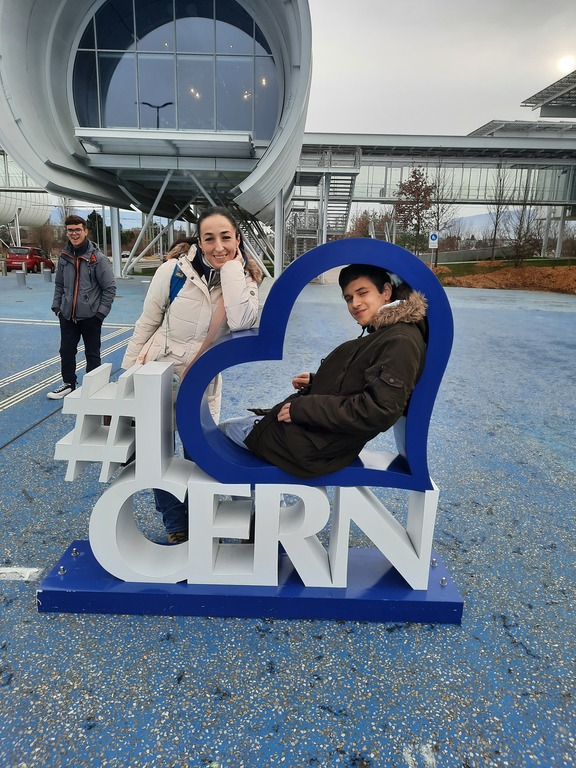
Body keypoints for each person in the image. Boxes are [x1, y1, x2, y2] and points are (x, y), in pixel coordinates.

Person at [122, 206, 263, 543]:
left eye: (226, 237)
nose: (218, 246)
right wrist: (126, 378)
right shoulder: (172, 272)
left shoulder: (244, 281)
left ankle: (205, 523)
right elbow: (147, 323)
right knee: (156, 457)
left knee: (200, 456)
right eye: (209, 239)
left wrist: (232, 268)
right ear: (198, 242)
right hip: (157, 374)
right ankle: (177, 525)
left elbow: (242, 321)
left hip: (201, 382)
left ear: (238, 239)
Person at [220, 263, 427, 479]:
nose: (355, 303)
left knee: (222, 434)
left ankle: (251, 498)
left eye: (362, 293)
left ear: (386, 291)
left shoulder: (399, 340)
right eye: (348, 298)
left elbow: (377, 410)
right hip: (319, 439)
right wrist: (317, 381)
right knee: (230, 431)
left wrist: (302, 408)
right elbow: (363, 382)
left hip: (314, 449)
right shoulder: (388, 333)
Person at [48, 215, 116, 399]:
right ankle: (68, 384)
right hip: (67, 315)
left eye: (78, 229)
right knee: (66, 351)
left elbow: (109, 288)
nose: (74, 233)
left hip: (91, 316)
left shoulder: (97, 259)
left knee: (92, 353)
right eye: (70, 230)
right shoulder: (64, 256)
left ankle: (93, 388)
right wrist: (57, 307)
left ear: (85, 231)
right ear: (67, 232)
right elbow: (59, 284)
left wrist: (100, 314)